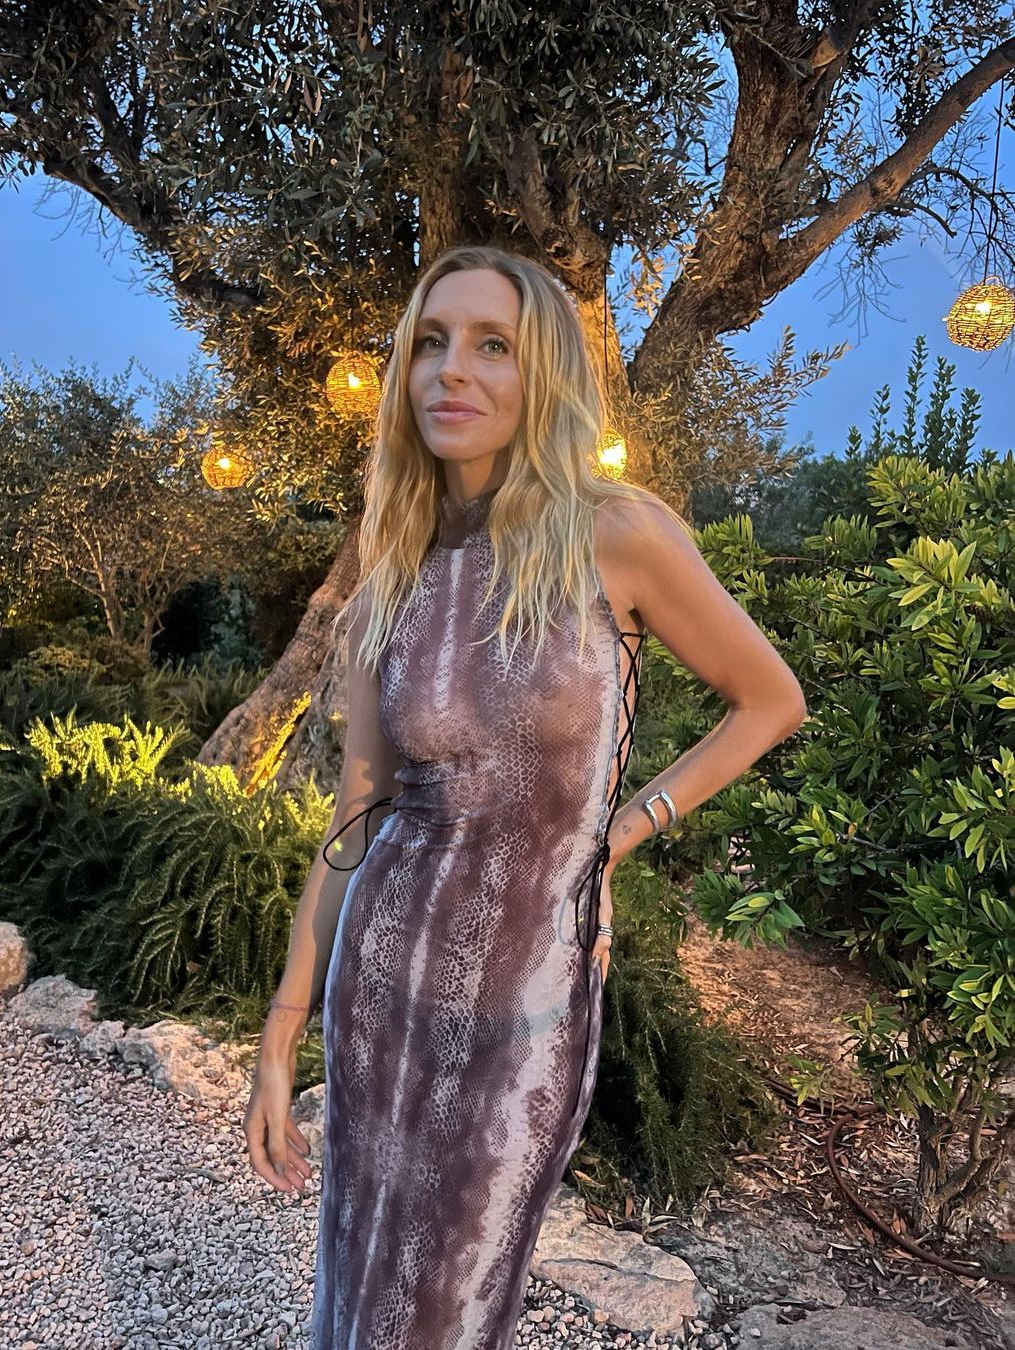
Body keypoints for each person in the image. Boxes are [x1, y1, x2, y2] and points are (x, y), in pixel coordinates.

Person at [243, 244, 807, 1348]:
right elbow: (356, 819)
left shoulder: (617, 534)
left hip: (526, 1003)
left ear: (540, 369)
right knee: (356, 1284)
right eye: (431, 343)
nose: (452, 369)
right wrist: (280, 1029)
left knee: (453, 1306)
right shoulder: (393, 570)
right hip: (378, 982)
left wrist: (615, 839)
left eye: (491, 344)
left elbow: (769, 701)